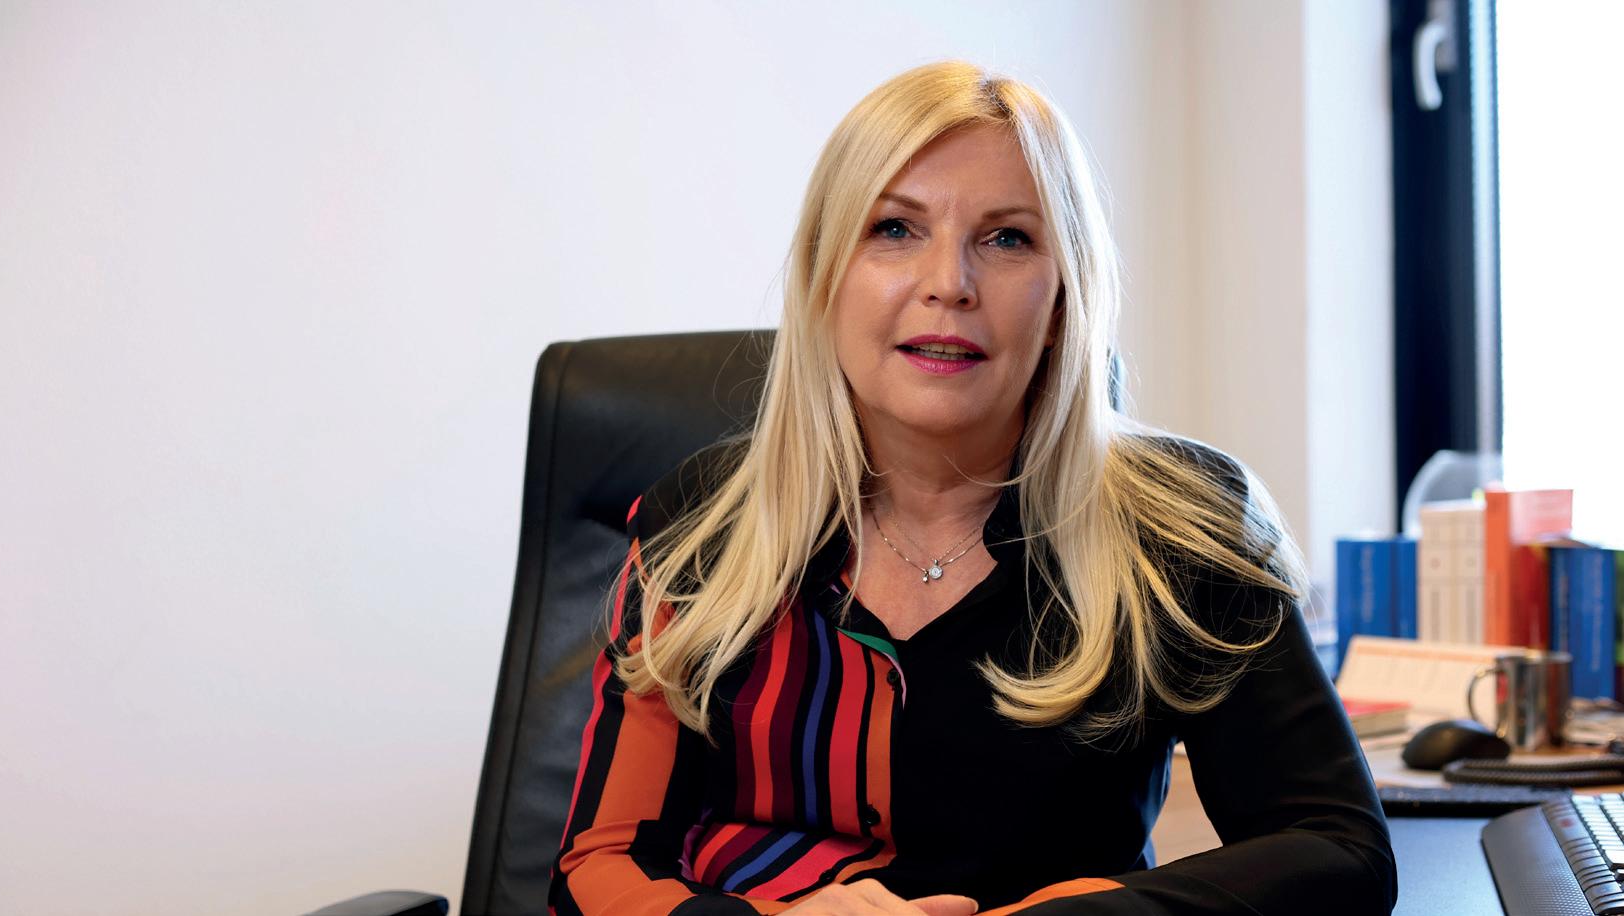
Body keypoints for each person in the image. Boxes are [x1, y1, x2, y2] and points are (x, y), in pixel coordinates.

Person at [550, 61, 1395, 915]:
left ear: (1063, 299)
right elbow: (596, 868)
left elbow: (1336, 849)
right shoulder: (703, 522)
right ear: (822, 279)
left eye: (1007, 239)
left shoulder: (1181, 524)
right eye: (894, 228)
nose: (949, 283)